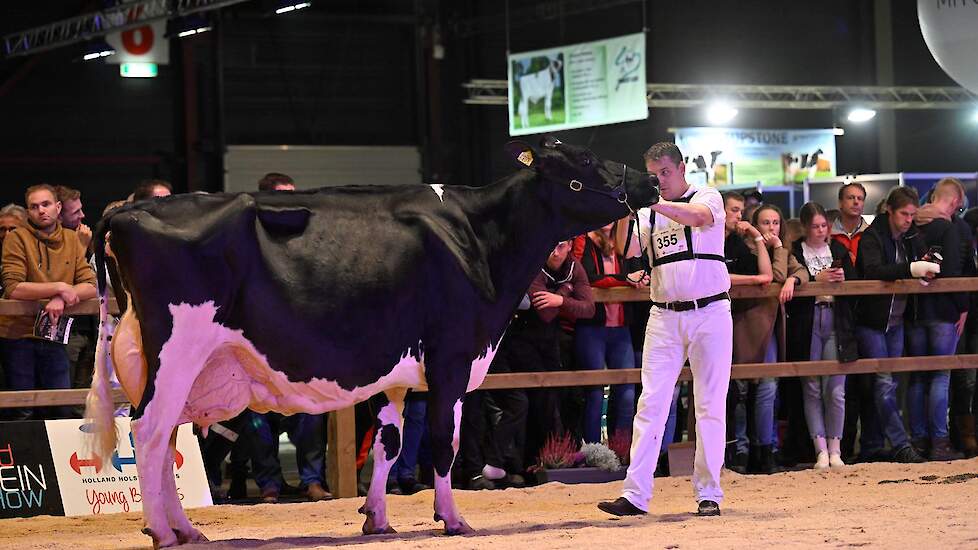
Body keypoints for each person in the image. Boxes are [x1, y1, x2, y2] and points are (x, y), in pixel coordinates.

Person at [600, 142, 729, 518]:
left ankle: (709, 493)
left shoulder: (707, 196)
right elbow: (630, 252)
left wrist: (650, 201)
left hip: (711, 312)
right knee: (651, 402)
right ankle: (634, 495)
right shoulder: (646, 216)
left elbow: (699, 218)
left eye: (665, 173)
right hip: (664, 314)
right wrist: (626, 211)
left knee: (709, 405)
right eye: (653, 176)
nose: (659, 181)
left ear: (682, 167)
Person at [0, 184, 97, 420]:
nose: (41, 211)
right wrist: (60, 288)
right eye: (34, 207)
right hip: (18, 334)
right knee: (22, 409)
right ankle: (23, 457)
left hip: (54, 332)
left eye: (46, 204)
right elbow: (14, 288)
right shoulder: (16, 238)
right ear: (28, 211)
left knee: (60, 406)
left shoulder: (71, 239)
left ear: (58, 207)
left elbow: (90, 284)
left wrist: (59, 298)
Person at [854, 186, 935, 464]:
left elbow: (920, 260)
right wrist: (912, 269)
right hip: (873, 321)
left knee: (887, 383)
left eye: (912, 214)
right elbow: (873, 271)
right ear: (889, 210)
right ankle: (901, 444)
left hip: (896, 320)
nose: (908, 219)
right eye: (904, 214)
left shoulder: (910, 236)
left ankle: (873, 445)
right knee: (884, 382)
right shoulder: (872, 237)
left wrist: (927, 269)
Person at [784, 202, 857, 469]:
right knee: (812, 386)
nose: (820, 230)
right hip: (808, 320)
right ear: (804, 228)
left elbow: (856, 279)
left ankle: (836, 448)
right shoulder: (795, 252)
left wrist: (841, 279)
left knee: (836, 389)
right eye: (815, 226)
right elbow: (790, 284)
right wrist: (817, 279)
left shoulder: (837, 249)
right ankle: (820, 450)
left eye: (824, 225)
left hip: (837, 319)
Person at [905, 178, 967, 461]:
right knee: (940, 376)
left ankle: (917, 440)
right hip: (943, 312)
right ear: (954, 202)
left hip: (913, 310)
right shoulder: (947, 228)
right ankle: (939, 442)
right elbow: (953, 272)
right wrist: (963, 308)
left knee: (918, 376)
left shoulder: (910, 225)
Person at [720, 192, 773, 474]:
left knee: (740, 389)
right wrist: (753, 280)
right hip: (713, 320)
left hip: (737, 321)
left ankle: (742, 450)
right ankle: (728, 450)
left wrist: (756, 236)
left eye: (741, 212)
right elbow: (716, 275)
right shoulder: (708, 237)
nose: (738, 217)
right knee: (723, 390)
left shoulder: (738, 243)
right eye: (735, 211)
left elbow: (767, 273)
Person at [573, 222, 639, 443]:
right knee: (594, 391)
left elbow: (638, 272)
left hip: (621, 327)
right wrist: (625, 281)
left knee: (627, 392)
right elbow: (587, 278)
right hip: (593, 327)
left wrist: (637, 279)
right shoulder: (584, 238)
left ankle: (621, 449)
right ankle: (593, 451)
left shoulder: (624, 240)